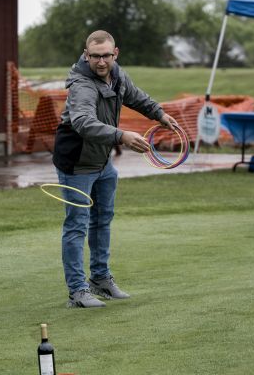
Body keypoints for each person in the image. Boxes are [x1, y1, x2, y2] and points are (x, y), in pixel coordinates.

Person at [53, 30, 175, 308]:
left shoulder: (117, 75)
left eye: (106, 56)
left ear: (115, 54)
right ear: (86, 55)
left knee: (102, 219)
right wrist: (122, 136)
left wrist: (159, 113)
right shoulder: (82, 85)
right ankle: (77, 291)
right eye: (95, 56)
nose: (101, 62)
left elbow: (136, 96)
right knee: (77, 225)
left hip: (102, 161)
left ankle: (100, 279)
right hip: (76, 163)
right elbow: (83, 122)